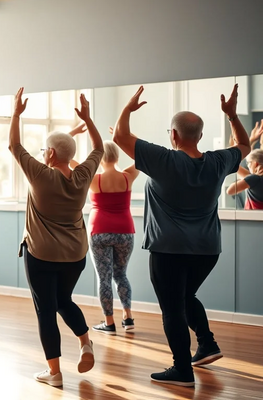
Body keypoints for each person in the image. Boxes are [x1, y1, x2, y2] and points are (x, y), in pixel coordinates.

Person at [112, 85, 249, 386]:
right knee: (186, 297)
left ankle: (182, 370)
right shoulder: (216, 162)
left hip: (169, 251)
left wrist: (128, 109)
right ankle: (207, 344)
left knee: (172, 308)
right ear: (199, 136)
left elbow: (120, 137)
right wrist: (231, 116)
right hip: (207, 250)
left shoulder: (165, 160)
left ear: (173, 135)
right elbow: (245, 146)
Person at [9, 88, 101, 387]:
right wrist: (88, 119)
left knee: (45, 310)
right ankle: (85, 342)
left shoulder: (40, 175)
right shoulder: (83, 175)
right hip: (75, 255)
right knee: (64, 300)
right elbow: (99, 148)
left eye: (44, 151)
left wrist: (16, 114)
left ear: (49, 154)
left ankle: (55, 373)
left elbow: (13, 144)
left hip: (41, 255)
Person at [70, 127, 140, 334]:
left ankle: (109, 322)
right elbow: (143, 155)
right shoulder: (128, 176)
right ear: (117, 156)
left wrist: (72, 134)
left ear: (99, 158)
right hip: (125, 231)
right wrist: (127, 135)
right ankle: (128, 318)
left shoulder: (94, 179)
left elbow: (68, 159)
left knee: (105, 278)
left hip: (99, 231)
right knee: (121, 275)